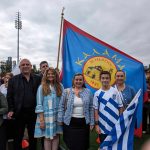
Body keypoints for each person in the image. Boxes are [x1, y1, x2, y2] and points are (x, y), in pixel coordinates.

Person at [7, 58, 41, 150]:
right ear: (19, 67)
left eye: (27, 64)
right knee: (17, 137)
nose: (25, 66)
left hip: (34, 113)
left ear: (31, 66)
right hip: (19, 113)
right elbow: (9, 97)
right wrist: (11, 109)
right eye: (23, 65)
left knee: (33, 137)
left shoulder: (38, 78)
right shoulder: (13, 80)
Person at [58, 73, 94, 150]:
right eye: (76, 80)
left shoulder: (88, 92)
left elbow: (91, 107)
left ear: (83, 81)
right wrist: (60, 119)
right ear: (73, 81)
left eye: (80, 80)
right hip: (70, 122)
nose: (78, 81)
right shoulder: (66, 91)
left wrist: (92, 122)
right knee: (71, 144)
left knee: (83, 145)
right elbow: (61, 106)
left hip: (84, 123)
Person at [34, 67, 63, 150]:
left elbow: (62, 103)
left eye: (52, 74)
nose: (50, 75)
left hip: (57, 115)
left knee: (56, 135)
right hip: (45, 116)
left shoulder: (60, 86)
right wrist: (42, 120)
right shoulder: (41, 87)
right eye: (48, 74)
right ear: (45, 76)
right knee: (47, 137)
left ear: (55, 75)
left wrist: (61, 118)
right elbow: (39, 104)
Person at [93, 71, 123, 143]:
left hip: (115, 124)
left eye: (107, 78)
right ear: (100, 79)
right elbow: (96, 110)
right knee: (104, 146)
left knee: (115, 145)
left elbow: (121, 107)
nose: (105, 80)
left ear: (110, 79)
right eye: (103, 78)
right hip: (103, 125)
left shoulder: (115, 91)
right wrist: (96, 125)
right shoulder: (97, 93)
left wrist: (120, 121)